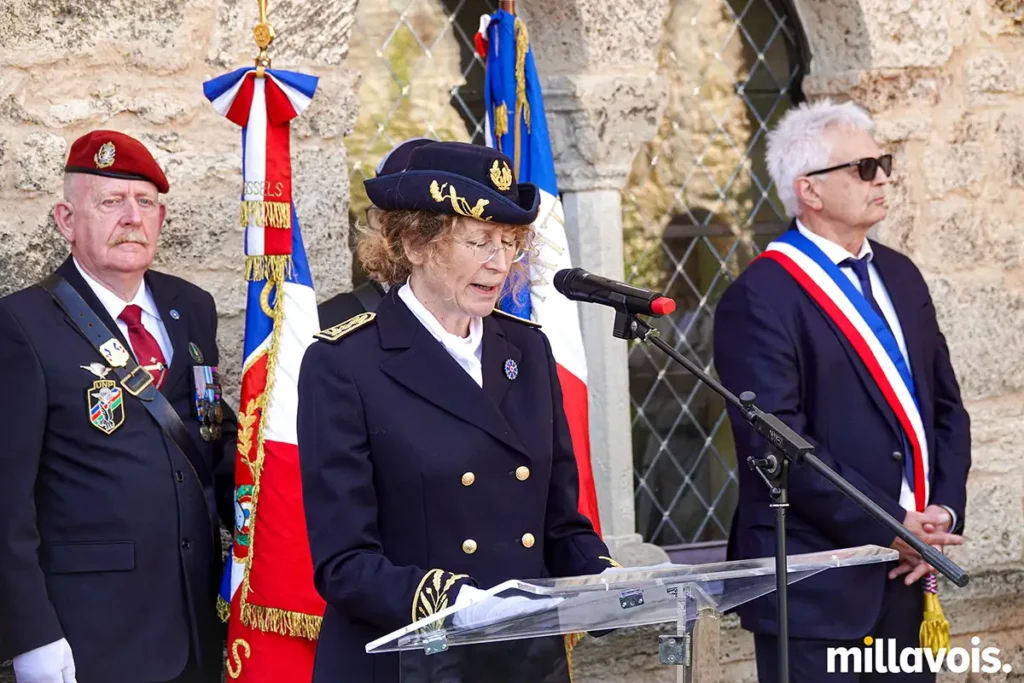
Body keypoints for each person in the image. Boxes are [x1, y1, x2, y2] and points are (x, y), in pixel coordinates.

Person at [296, 139, 619, 683]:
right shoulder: (345, 362)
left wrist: (608, 584)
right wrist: (465, 604)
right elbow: (344, 563)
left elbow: (560, 523)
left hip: (523, 661)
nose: (500, 263)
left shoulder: (528, 351)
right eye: (479, 241)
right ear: (415, 244)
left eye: (510, 242)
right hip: (411, 662)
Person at [713, 99, 972, 682]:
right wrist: (892, 527)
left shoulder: (901, 274)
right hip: (817, 590)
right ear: (810, 191)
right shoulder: (761, 297)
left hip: (906, 575)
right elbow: (778, 448)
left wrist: (941, 512)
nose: (882, 177)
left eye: (882, 162)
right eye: (862, 168)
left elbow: (946, 409)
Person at [0, 130, 237, 683]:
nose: (132, 217)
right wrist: (32, 635)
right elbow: (6, 502)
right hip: (93, 634)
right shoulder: (21, 325)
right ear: (65, 219)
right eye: (110, 202)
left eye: (145, 203)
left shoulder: (191, 307)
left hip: (199, 623)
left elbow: (207, 434)